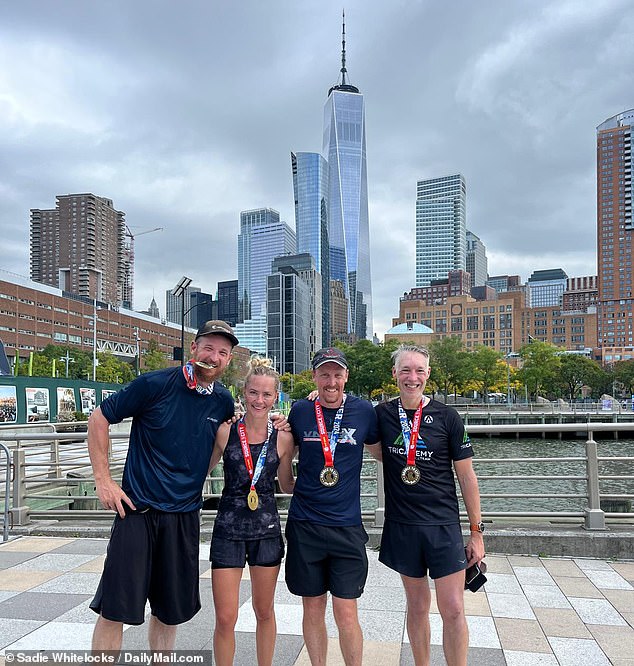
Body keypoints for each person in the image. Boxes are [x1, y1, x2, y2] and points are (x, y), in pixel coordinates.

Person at [88, 320, 239, 653]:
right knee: (114, 611)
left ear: (228, 360)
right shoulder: (154, 384)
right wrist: (104, 481)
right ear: (194, 348)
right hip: (138, 512)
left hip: (183, 517)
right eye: (209, 348)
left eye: (222, 352)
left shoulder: (223, 401)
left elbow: (213, 451)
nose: (213, 357)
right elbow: (98, 418)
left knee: (169, 615)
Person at [372, 344, 485, 666]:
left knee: (453, 608)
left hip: (443, 526)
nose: (412, 377)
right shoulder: (381, 414)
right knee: (418, 606)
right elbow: (345, 414)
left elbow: (467, 477)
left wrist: (476, 533)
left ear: (428, 374)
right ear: (394, 374)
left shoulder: (448, 416)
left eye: (419, 370)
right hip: (403, 526)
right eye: (405, 370)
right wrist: (312, 397)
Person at [281, 347, 379, 666]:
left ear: (346, 377)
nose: (331, 381)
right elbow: (286, 455)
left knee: (346, 612)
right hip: (305, 524)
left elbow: (383, 454)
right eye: (324, 374)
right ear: (314, 377)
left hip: (347, 527)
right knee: (312, 608)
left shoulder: (365, 411)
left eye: (337, 374)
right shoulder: (300, 410)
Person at [208, 357, 295, 666]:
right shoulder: (225, 432)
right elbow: (202, 470)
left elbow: (287, 486)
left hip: (267, 532)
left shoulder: (284, 437)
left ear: (276, 398)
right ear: (243, 392)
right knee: (225, 616)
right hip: (228, 531)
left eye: (267, 395)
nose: (260, 400)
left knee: (265, 611)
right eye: (254, 393)